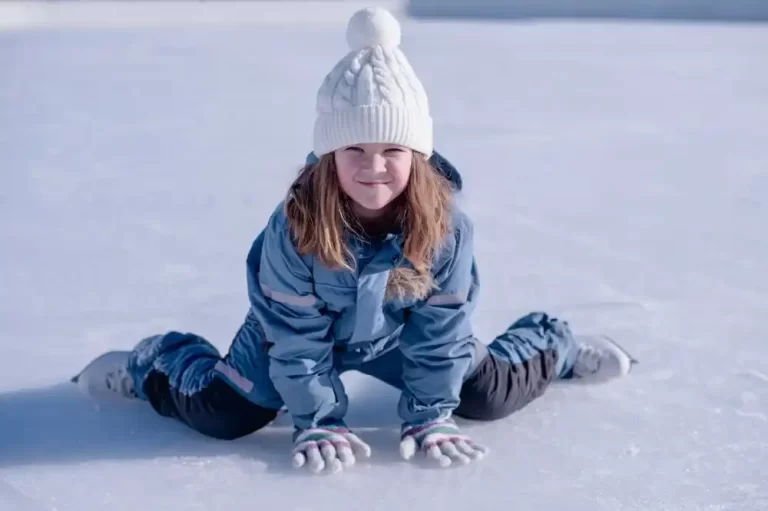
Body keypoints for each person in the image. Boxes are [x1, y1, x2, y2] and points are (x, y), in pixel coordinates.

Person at [72, 6, 636, 474]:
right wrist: (317, 419)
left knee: (485, 396)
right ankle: (158, 359)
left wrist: (429, 413)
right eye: (355, 152)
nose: (374, 168)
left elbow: (441, 331)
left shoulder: (447, 228)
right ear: (329, 158)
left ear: (417, 157)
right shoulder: (296, 226)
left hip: (397, 335)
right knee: (222, 416)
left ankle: (550, 341)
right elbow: (295, 340)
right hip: (287, 338)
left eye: (392, 151)